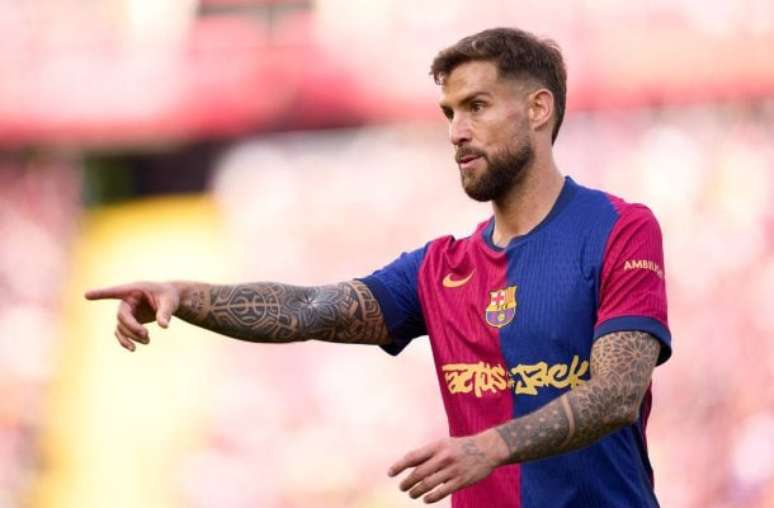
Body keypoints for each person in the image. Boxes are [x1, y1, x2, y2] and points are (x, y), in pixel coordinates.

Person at [85, 27, 671, 508]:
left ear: (538, 109)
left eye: (477, 107)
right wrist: (184, 295)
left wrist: (489, 447)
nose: (457, 132)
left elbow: (617, 392)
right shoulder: (439, 268)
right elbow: (309, 309)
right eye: (449, 113)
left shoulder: (619, 229)